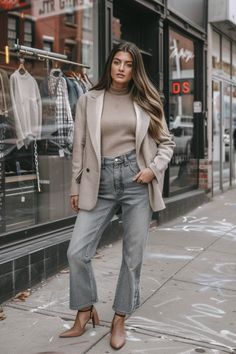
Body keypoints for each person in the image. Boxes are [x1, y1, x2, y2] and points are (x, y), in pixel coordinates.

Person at [59, 41, 175, 350]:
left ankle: (119, 318)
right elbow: (79, 146)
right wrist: (75, 186)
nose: (121, 68)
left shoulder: (148, 100)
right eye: (117, 62)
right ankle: (84, 310)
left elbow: (166, 143)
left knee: (132, 256)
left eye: (128, 64)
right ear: (110, 65)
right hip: (99, 183)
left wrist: (153, 169)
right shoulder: (89, 100)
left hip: (136, 180)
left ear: (135, 70)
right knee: (76, 251)